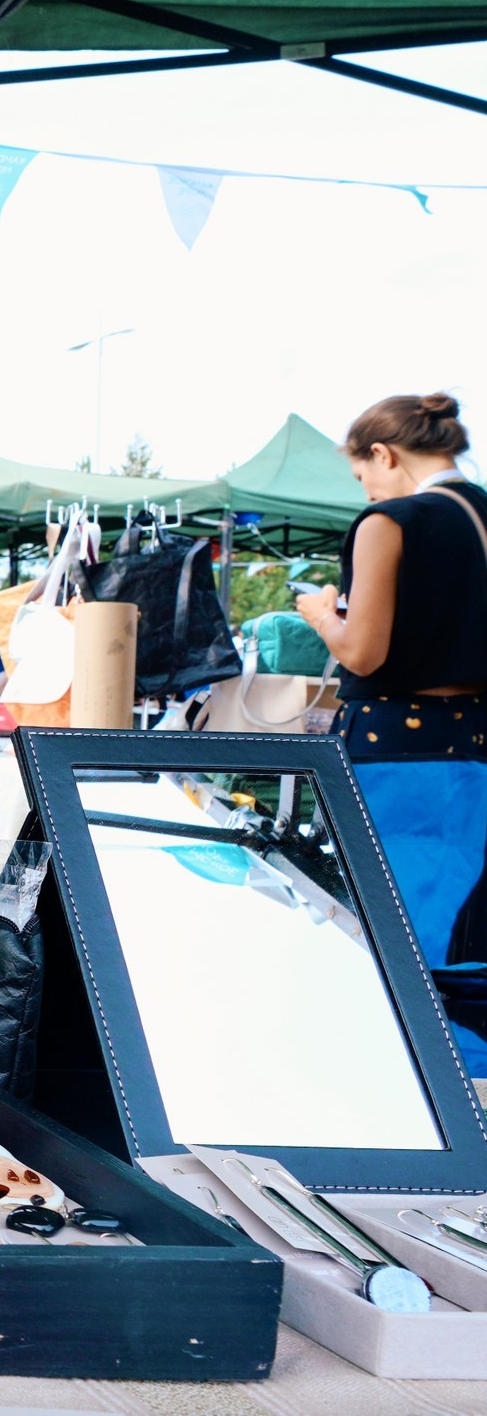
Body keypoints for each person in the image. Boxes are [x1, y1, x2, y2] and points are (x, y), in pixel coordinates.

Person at [294, 392, 487, 1071]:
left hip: (400, 753)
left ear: (385, 454)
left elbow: (363, 652)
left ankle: (425, 1097)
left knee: (398, 938)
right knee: (461, 931)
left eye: (362, 473)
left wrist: (320, 611)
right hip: (471, 752)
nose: (367, 488)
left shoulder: (392, 520)